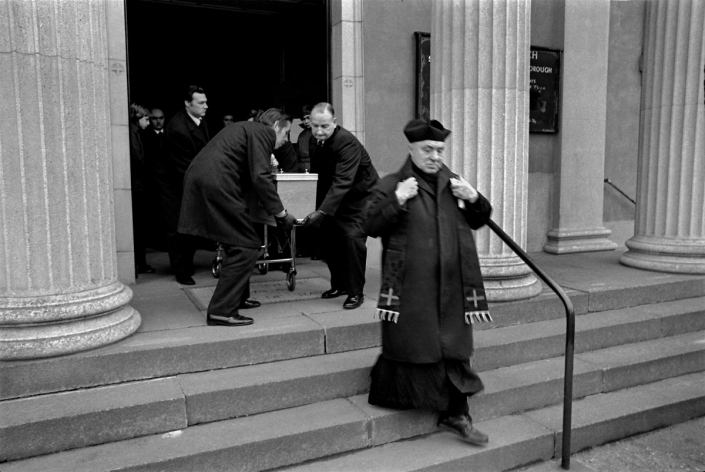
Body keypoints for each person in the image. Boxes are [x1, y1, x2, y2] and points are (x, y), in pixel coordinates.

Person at [364, 118, 493, 446]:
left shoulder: (454, 185)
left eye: (439, 150)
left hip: (453, 286)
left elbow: (480, 218)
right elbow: (370, 224)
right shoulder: (393, 182)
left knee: (452, 346)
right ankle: (412, 399)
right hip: (411, 289)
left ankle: (456, 413)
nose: (435, 155)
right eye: (428, 149)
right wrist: (398, 199)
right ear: (411, 149)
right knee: (417, 344)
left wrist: (474, 196)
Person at [178, 109, 296, 327]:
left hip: (208, 180)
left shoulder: (248, 128)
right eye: (286, 133)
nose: (285, 140)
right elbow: (260, 177)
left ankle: (239, 298)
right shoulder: (264, 132)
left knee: (237, 244)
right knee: (246, 246)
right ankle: (221, 311)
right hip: (217, 183)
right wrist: (281, 214)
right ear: (277, 126)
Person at [303, 102, 379, 310]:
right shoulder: (313, 140)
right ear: (309, 123)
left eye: (325, 126)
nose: (319, 131)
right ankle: (339, 285)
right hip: (337, 198)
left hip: (360, 198)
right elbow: (322, 177)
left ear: (334, 123)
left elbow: (342, 181)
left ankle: (356, 292)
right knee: (329, 240)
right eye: (315, 126)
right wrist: (316, 207)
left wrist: (322, 211)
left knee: (352, 240)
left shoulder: (346, 142)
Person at [163, 85, 210, 285]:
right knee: (178, 229)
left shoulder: (198, 120)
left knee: (190, 226)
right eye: (201, 103)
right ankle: (181, 270)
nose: (206, 106)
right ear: (187, 104)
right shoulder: (178, 129)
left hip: (189, 181)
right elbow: (184, 167)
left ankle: (187, 264)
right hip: (175, 185)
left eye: (206, 101)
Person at [128, 103, 156, 276]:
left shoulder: (135, 133)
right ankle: (140, 263)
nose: (149, 122)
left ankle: (140, 263)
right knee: (139, 227)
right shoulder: (133, 134)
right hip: (137, 186)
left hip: (138, 185)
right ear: (138, 118)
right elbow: (139, 161)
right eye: (146, 118)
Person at [142, 108, 168, 251]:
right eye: (154, 118)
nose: (158, 121)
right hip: (152, 180)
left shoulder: (170, 134)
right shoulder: (145, 135)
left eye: (161, 118)